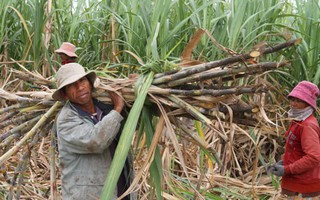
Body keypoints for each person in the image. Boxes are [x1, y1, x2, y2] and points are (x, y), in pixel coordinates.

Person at [52, 63, 132, 200]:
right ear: (64, 95)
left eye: (82, 80)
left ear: (90, 83)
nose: (79, 87)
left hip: (121, 188)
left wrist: (135, 86)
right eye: (72, 85)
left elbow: (131, 124)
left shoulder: (104, 108)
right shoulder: (66, 120)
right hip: (89, 195)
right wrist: (118, 107)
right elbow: (96, 141)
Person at [267, 80, 320, 199]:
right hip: (297, 183)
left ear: (308, 103)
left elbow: (313, 157)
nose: (293, 103)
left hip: (304, 185)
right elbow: (296, 151)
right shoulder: (298, 121)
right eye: (292, 99)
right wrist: (283, 163)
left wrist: (287, 169)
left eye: (299, 101)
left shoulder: (307, 125)